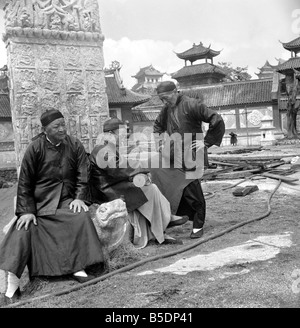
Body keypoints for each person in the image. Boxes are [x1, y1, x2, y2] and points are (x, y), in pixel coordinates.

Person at [0, 109, 105, 305]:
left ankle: (77, 267)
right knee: (24, 228)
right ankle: (12, 284)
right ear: (44, 130)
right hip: (40, 202)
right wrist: (27, 211)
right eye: (56, 126)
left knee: (79, 217)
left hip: (66, 199)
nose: (62, 129)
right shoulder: (35, 148)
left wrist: (80, 197)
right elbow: (25, 182)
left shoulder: (74, 144)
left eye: (63, 125)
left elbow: (83, 173)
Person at [89, 117, 188, 249]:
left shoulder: (107, 147)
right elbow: (117, 168)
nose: (124, 137)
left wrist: (139, 173)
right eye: (122, 134)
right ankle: (165, 221)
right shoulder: (102, 149)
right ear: (111, 134)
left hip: (114, 184)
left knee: (149, 186)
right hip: (108, 190)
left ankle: (165, 222)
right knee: (150, 188)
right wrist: (140, 171)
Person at [151, 81, 225, 239]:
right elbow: (157, 126)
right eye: (161, 99)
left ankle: (198, 225)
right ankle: (175, 217)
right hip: (173, 154)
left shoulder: (192, 104)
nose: (164, 102)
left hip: (192, 154)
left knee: (192, 189)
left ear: (175, 91)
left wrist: (205, 142)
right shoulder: (166, 109)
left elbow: (216, 119)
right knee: (171, 185)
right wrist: (160, 143)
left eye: (166, 98)